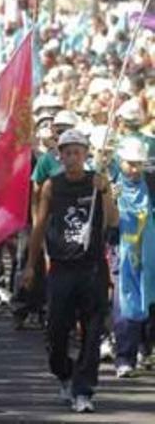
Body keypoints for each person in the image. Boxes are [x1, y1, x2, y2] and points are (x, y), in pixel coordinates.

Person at [22, 129, 118, 413]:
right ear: (60, 156)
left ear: (86, 154)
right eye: (68, 153)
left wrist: (105, 192)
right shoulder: (52, 185)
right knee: (56, 330)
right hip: (61, 268)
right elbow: (39, 227)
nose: (73, 158)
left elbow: (112, 221)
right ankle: (64, 372)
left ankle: (83, 389)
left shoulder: (97, 182)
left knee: (92, 330)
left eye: (78, 152)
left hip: (91, 269)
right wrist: (30, 265)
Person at [111, 137, 155, 378]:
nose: (135, 169)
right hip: (122, 254)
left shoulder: (151, 183)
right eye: (130, 164)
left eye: (139, 164)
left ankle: (145, 349)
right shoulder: (111, 185)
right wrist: (109, 198)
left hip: (149, 255)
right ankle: (124, 357)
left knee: (148, 302)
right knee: (124, 305)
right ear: (121, 162)